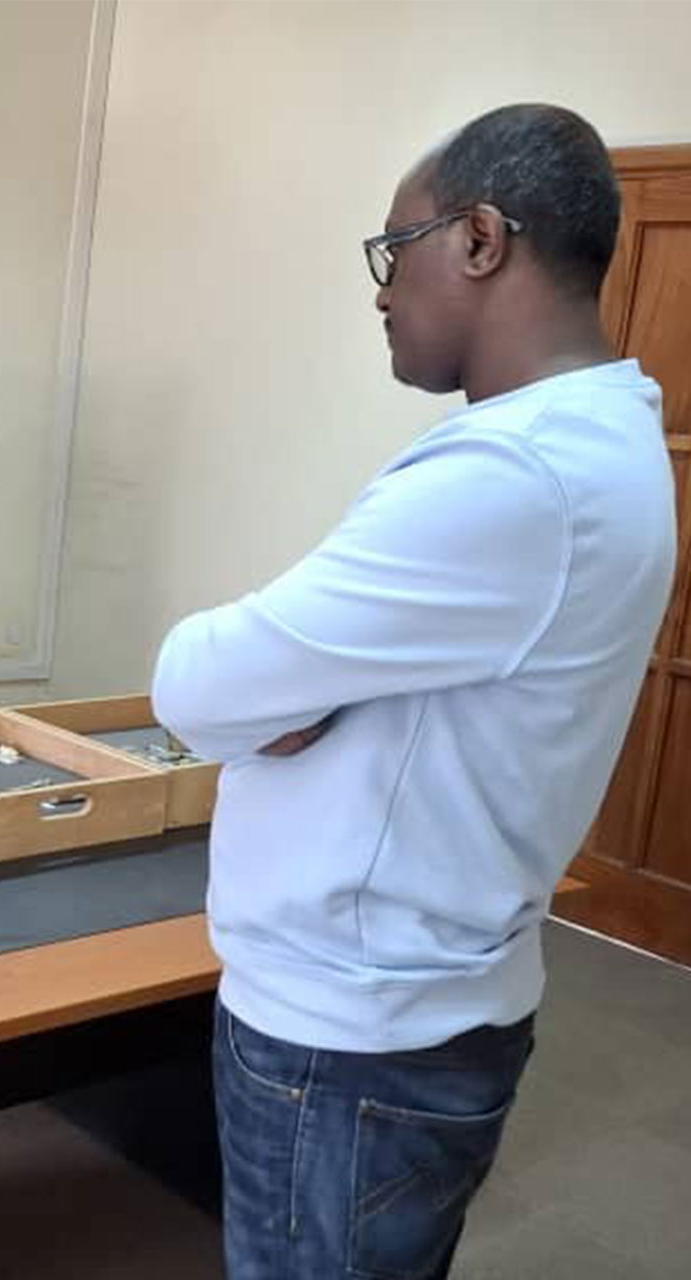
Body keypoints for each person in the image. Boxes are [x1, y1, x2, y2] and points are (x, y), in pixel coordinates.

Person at [152, 104, 677, 1279]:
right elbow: (288, 679)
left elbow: (196, 682)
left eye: (398, 250)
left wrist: (279, 698)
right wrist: (300, 692)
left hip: (353, 1037)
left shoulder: (512, 475)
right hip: (433, 998)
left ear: (481, 238)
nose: (382, 290)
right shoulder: (601, 443)